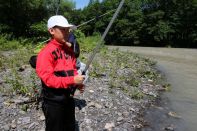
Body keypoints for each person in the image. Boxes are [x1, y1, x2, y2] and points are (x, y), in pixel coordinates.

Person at [36, 15, 85, 131]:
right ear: (51, 31)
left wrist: (77, 84)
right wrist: (72, 80)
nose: (67, 32)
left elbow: (72, 70)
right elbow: (48, 80)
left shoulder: (69, 51)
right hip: (53, 101)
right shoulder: (45, 53)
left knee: (70, 126)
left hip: (69, 98)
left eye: (68, 29)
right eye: (63, 29)